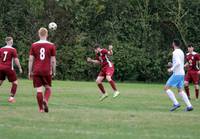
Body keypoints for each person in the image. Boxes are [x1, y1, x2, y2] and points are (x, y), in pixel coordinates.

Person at [28, 27, 56, 113]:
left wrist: (29, 71)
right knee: (48, 88)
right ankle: (45, 100)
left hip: (36, 70)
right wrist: (54, 71)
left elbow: (31, 59)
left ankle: (41, 109)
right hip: (46, 70)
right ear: (47, 34)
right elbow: (53, 60)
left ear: (39, 34)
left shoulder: (34, 45)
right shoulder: (51, 45)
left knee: (39, 90)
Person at [164, 39, 193, 112]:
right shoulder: (181, 52)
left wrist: (171, 69)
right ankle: (189, 106)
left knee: (166, 88)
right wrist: (172, 64)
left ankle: (176, 103)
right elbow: (180, 63)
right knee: (180, 90)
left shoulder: (175, 52)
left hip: (177, 74)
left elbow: (178, 63)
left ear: (174, 44)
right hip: (182, 73)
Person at [0, 37, 22, 102]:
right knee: (15, 83)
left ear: (6, 42)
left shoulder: (1, 49)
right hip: (8, 68)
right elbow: (16, 59)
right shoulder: (13, 50)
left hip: (1, 67)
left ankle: (11, 98)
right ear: (11, 42)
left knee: (0, 82)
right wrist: (20, 67)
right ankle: (11, 98)